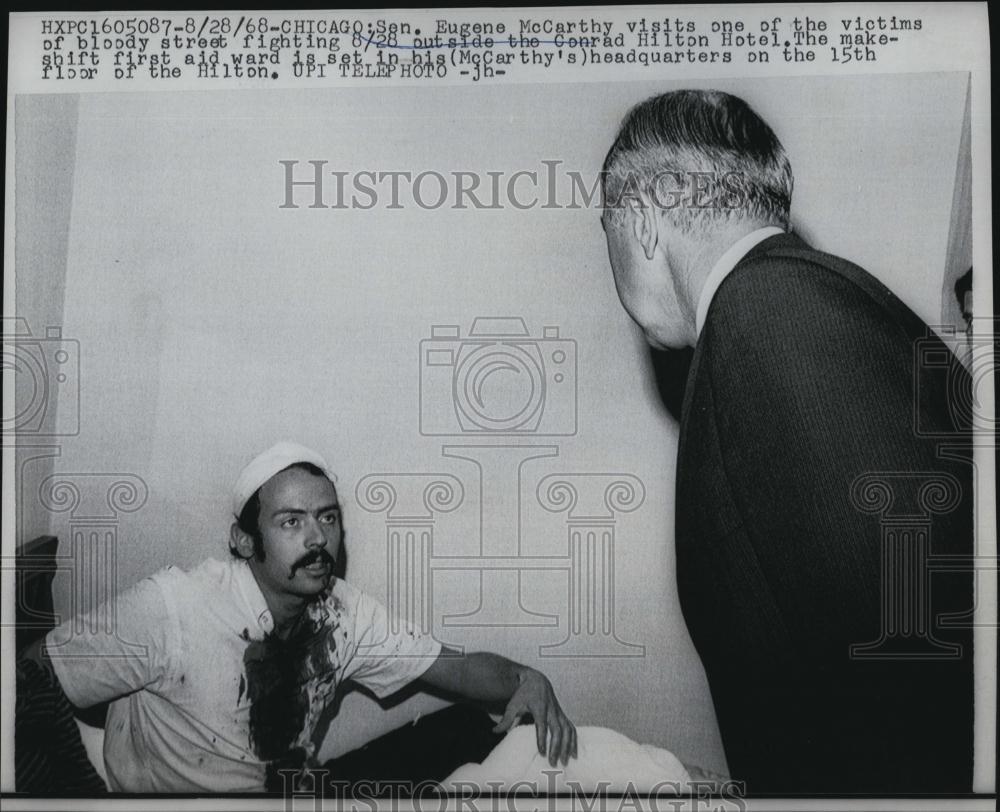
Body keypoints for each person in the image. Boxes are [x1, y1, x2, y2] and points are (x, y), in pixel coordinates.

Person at [599, 89, 973, 793]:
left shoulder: (767, 313)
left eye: (605, 224)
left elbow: (905, 667)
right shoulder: (797, 299)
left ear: (643, 220)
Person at [22, 441, 577, 793]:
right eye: (291, 522)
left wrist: (527, 679)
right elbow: (31, 676)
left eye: (327, 518)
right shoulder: (174, 606)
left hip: (292, 792)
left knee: (465, 728)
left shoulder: (342, 611)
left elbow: (452, 667)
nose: (317, 539)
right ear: (245, 540)